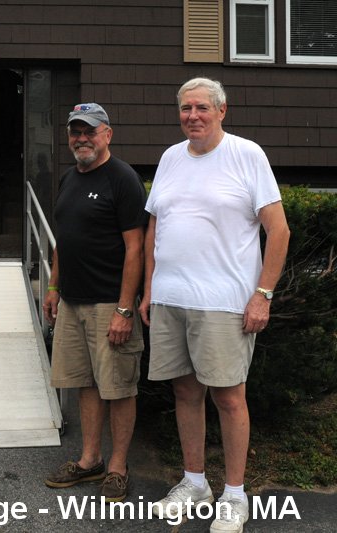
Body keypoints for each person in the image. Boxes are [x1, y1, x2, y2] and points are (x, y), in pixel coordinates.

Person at [140, 78, 290, 532]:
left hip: (223, 303)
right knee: (185, 393)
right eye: (186, 108)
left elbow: (278, 231)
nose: (193, 116)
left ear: (222, 111)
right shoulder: (170, 158)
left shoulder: (247, 155)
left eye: (202, 107)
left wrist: (262, 294)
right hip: (171, 299)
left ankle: (235, 496)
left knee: (228, 398)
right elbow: (154, 229)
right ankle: (194, 482)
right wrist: (149, 290)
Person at [43, 103, 147, 503]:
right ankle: (90, 459)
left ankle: (118, 466)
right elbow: (62, 240)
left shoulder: (122, 179)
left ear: (108, 134)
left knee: (118, 387)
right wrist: (53, 288)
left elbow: (134, 249)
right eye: (75, 132)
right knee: (84, 384)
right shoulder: (68, 179)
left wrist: (124, 308)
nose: (82, 139)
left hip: (109, 303)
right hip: (72, 301)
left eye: (90, 131)